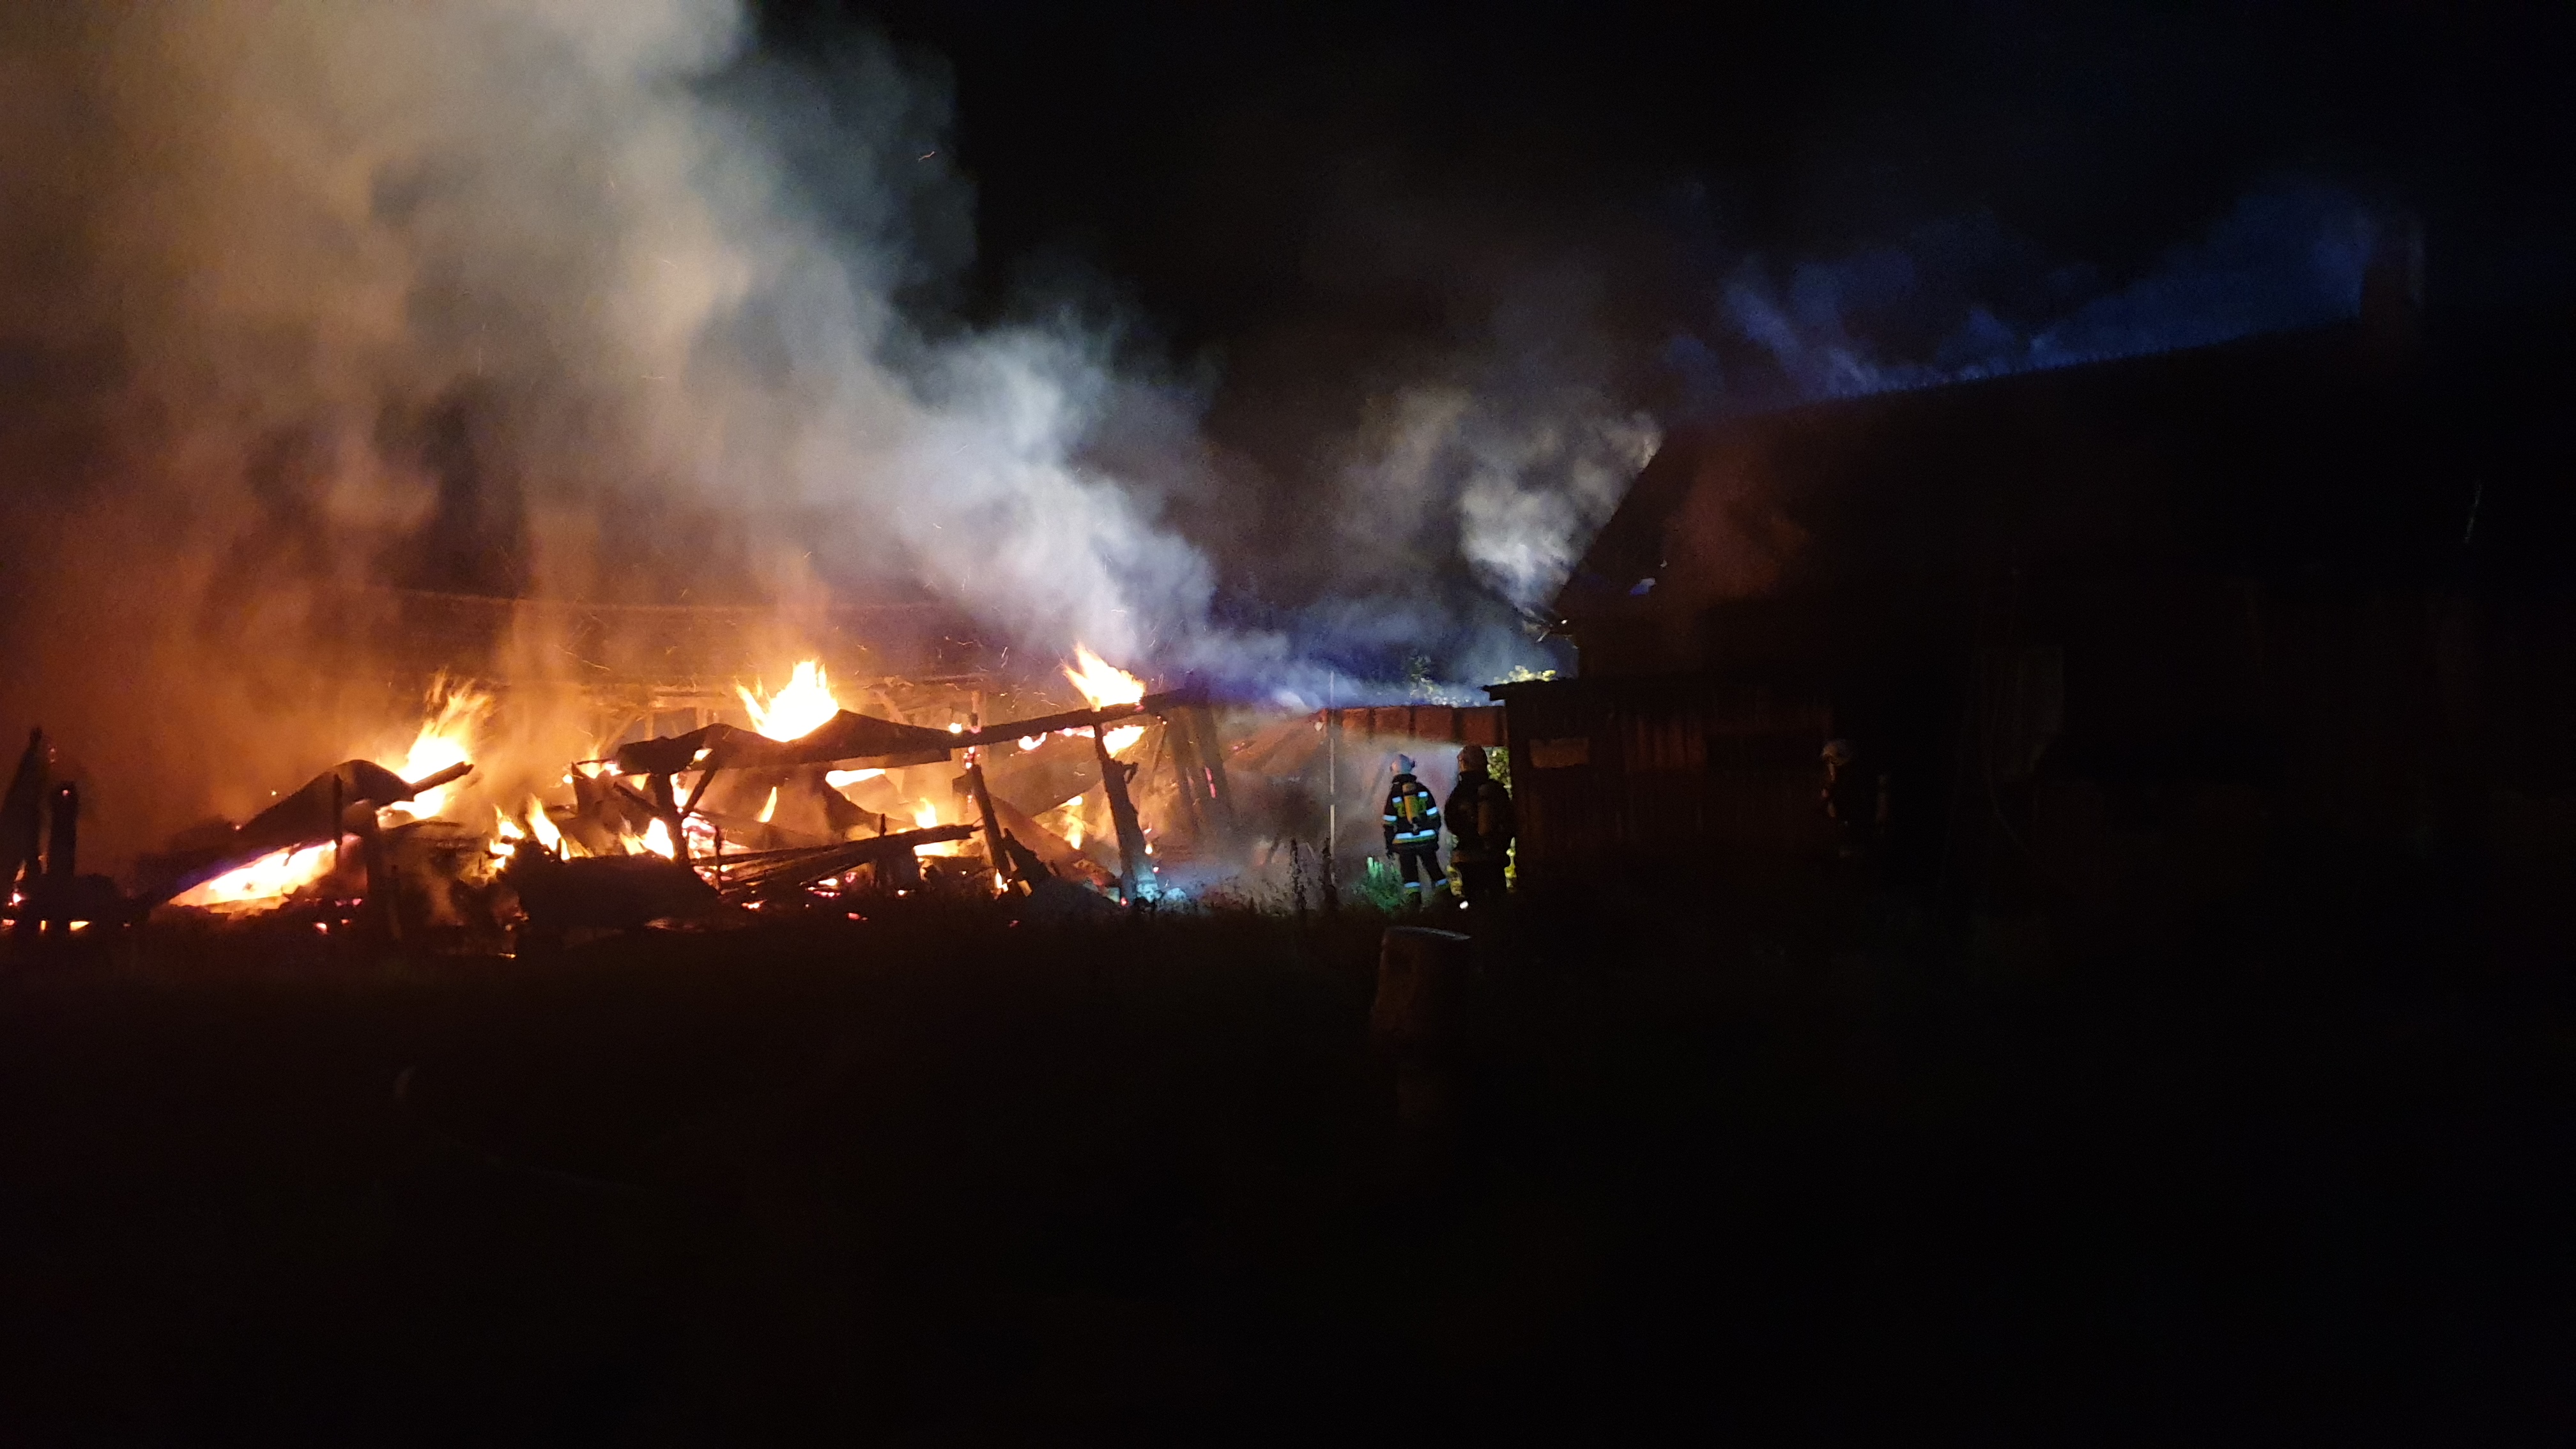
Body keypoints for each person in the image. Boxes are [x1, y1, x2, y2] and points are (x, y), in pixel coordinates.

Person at [1445, 744, 1515, 906]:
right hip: (1494, 856)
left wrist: (1468, 835)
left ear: (1464, 763)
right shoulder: (1496, 789)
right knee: (1498, 901)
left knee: (1474, 901)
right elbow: (1510, 818)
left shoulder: (1459, 793)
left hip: (1467, 857)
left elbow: (1451, 821)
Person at [1381, 754, 1443, 907]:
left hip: (1404, 845)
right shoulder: (1422, 790)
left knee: (1411, 879)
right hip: (1426, 841)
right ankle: (1448, 902)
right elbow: (1434, 816)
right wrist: (1434, 837)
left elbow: (1389, 823)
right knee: (1435, 872)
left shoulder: (1394, 794)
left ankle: (1414, 908)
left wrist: (1389, 845)